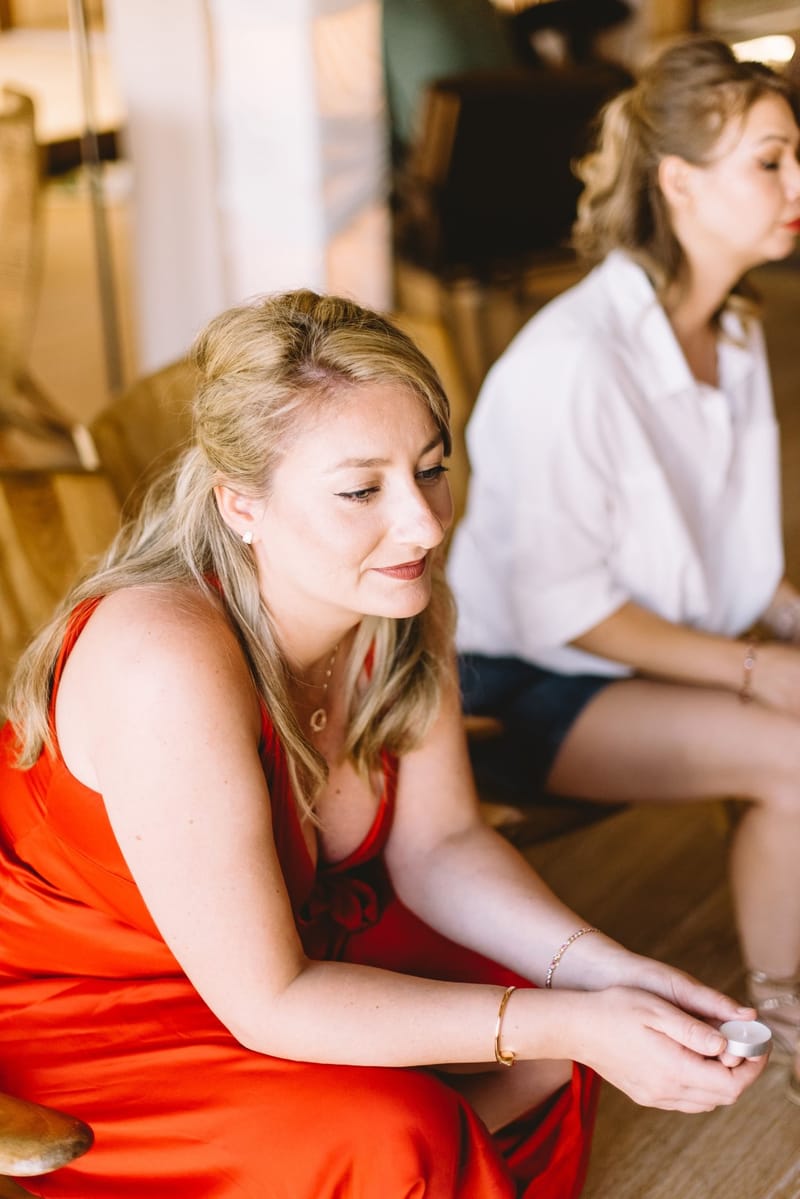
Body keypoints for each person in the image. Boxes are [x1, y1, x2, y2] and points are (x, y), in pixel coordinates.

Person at [0, 290, 765, 1198]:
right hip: (89, 1001)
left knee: (564, 1020)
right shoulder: (163, 657)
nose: (425, 523)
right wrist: (564, 1022)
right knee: (401, 1124)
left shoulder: (395, 600)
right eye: (362, 489)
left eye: (431, 468)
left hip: (292, 939)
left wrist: (610, 972)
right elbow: (268, 1000)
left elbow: (441, 844)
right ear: (240, 503)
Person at [446, 36, 800, 1100]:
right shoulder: (576, 359)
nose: (795, 183)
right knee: (791, 752)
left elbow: (715, 553)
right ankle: (781, 1008)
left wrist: (778, 620)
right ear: (677, 181)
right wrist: (751, 669)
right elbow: (569, 606)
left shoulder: (731, 336)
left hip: (649, 647)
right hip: (522, 682)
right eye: (771, 160)